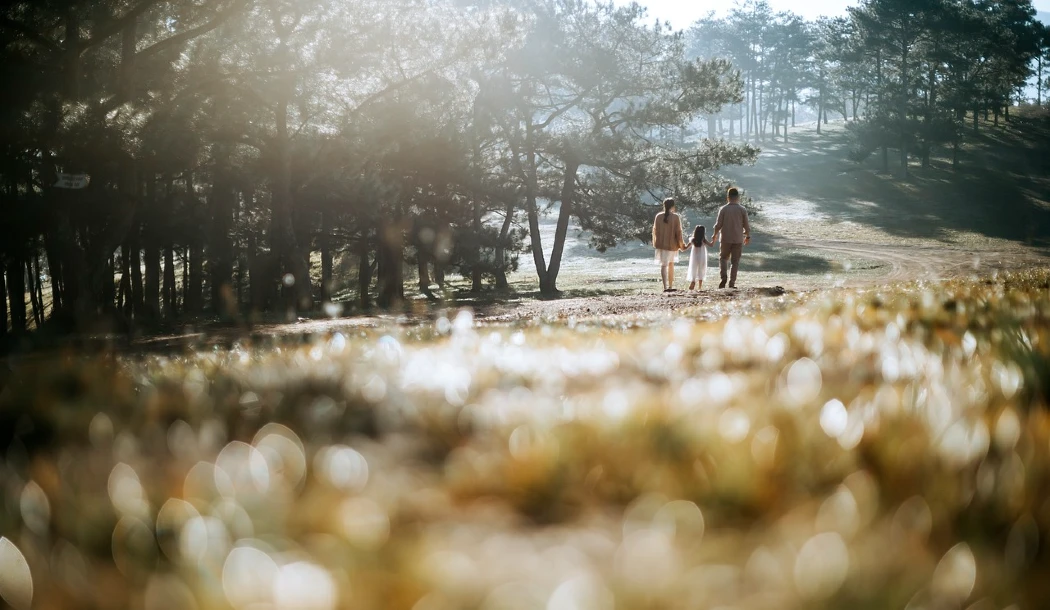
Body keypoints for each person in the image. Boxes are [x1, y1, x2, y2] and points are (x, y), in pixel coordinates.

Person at [712, 187, 751, 289]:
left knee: (723, 258)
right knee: (735, 262)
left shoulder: (723, 209)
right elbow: (746, 225)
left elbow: (718, 225)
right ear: (738, 197)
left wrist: (715, 234)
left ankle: (723, 277)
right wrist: (747, 236)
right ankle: (732, 283)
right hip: (738, 239)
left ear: (728, 198)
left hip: (725, 238)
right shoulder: (742, 210)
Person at [652, 198, 686, 292]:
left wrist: (656, 243)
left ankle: (665, 287)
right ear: (673, 206)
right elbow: (678, 232)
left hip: (662, 245)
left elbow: (655, 231)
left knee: (663, 265)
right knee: (671, 264)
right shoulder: (675, 217)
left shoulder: (658, 216)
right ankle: (670, 286)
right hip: (672, 245)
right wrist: (681, 245)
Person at [685, 225, 715, 291]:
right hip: (702, 257)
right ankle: (700, 287)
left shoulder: (693, 240)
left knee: (694, 269)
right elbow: (711, 245)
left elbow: (686, 247)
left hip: (694, 257)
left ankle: (693, 281)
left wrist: (681, 246)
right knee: (701, 269)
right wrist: (714, 239)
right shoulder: (703, 240)